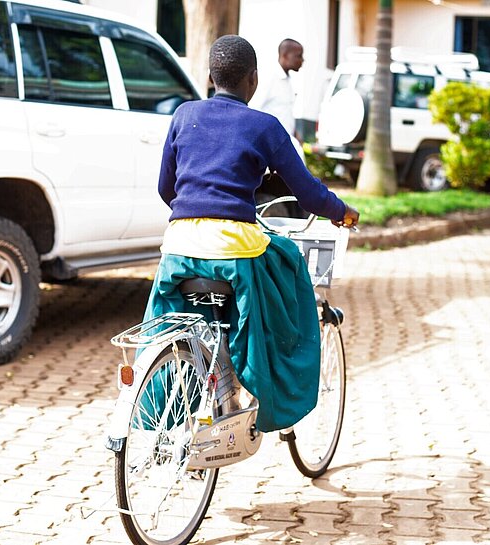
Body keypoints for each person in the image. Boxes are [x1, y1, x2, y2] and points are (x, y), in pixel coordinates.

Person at [143, 35, 359, 433]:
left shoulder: (183, 115)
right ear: (253, 80)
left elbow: (165, 189)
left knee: (181, 327)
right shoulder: (264, 126)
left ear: (210, 77)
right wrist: (341, 211)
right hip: (233, 251)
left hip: (177, 248)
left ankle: (183, 401)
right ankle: (270, 382)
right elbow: (308, 194)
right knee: (289, 262)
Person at [250, 38, 305, 154]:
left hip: (285, 144)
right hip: (270, 147)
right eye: (298, 56)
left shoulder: (288, 80)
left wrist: (295, 133)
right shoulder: (269, 78)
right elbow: (254, 110)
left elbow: (284, 113)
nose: (302, 60)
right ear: (285, 55)